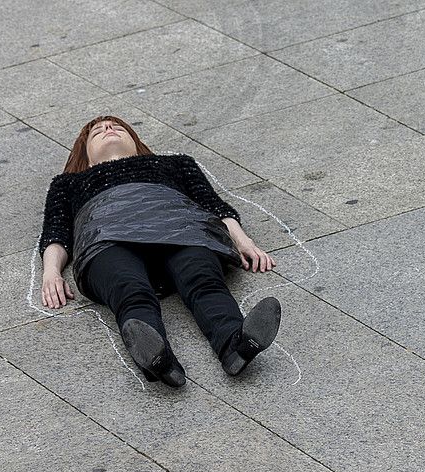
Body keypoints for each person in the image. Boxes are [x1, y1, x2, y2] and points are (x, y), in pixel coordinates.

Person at [39, 116, 283, 386]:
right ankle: (158, 359)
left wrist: (242, 240)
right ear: (84, 153)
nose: (109, 129)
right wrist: (51, 272)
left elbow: (214, 206)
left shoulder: (176, 163)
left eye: (118, 126)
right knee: (128, 289)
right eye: (97, 131)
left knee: (203, 280)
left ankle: (236, 344)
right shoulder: (68, 183)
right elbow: (56, 233)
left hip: (181, 227)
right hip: (108, 237)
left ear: (135, 140)